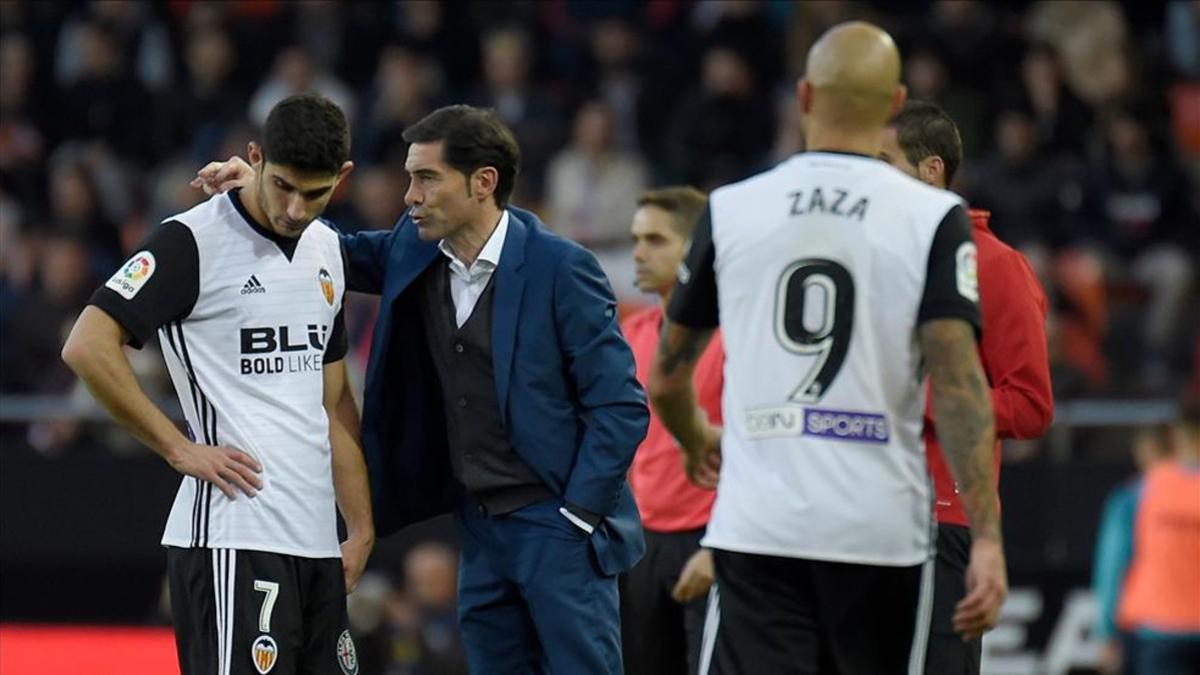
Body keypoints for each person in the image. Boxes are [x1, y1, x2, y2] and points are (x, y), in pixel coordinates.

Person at [194, 104, 648, 674]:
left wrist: (578, 516)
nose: (409, 195)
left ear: (483, 183)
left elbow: (621, 405)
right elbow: (331, 245)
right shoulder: (415, 248)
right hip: (478, 528)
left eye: (426, 178)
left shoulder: (562, 269)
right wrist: (257, 189)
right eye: (410, 177)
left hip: (554, 524)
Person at [647, 22, 1007, 674]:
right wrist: (986, 535)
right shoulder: (933, 218)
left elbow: (667, 377)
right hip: (881, 532)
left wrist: (695, 437)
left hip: (760, 528)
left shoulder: (731, 209)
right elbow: (960, 387)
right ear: (896, 104)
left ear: (806, 95)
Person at [61, 93, 373, 675]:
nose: (296, 209)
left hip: (315, 540)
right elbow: (86, 345)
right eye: (282, 186)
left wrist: (359, 527)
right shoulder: (190, 242)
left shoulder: (328, 246)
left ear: (343, 177)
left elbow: (330, 403)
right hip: (234, 536)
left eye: (316, 192)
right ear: (255, 157)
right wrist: (178, 447)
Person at [879, 100, 1055, 675]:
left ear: (932, 170)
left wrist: (929, 400)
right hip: (859, 514)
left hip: (940, 520)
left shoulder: (997, 266)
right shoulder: (875, 261)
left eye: (886, 164)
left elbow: (1030, 405)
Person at [619, 186, 724, 675]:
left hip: (712, 534)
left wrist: (723, 544)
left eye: (656, 240)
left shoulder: (735, 335)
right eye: (637, 239)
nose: (639, 252)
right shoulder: (628, 335)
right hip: (641, 538)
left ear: (695, 250)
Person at [1108, 401, 1200, 674]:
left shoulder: (1140, 491)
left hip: (1157, 629)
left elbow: (1114, 563)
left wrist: (1107, 632)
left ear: (1177, 437)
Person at [1092, 426, 1173, 674]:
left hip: (1147, 628)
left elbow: (1113, 566)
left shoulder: (1131, 499)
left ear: (1144, 453)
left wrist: (1106, 631)